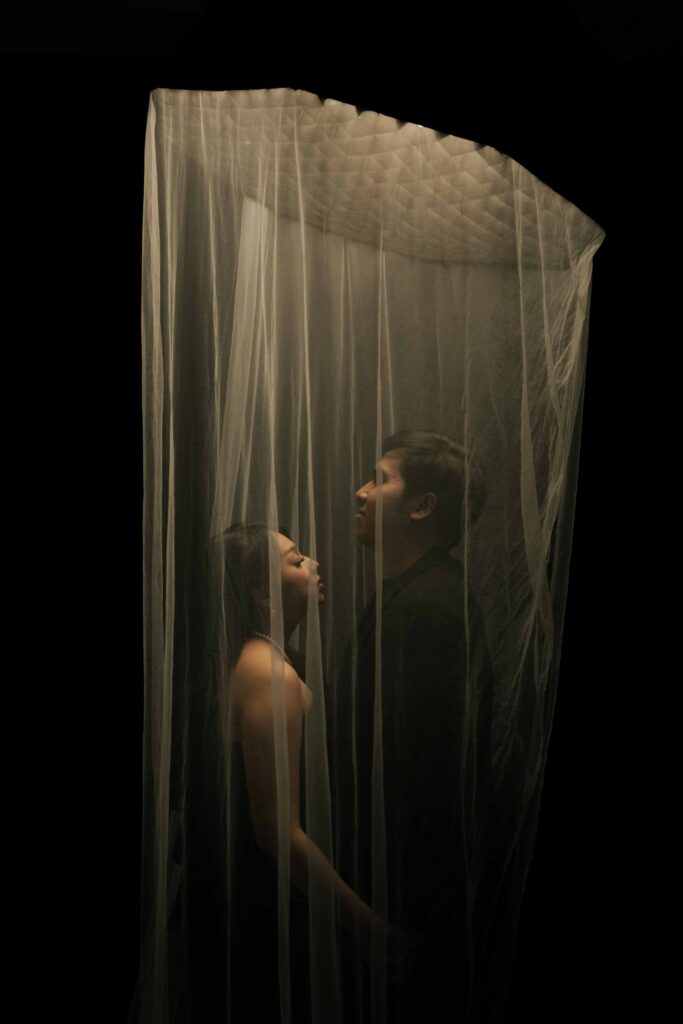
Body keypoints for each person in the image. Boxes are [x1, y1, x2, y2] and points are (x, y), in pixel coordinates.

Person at [187, 523, 406, 1023]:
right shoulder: (268, 672)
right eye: (297, 559)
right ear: (263, 594)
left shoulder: (263, 659)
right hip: (268, 899)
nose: (314, 563)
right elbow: (277, 833)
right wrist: (372, 929)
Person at [330, 431, 496, 1023]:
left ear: (422, 506)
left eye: (380, 479)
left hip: (404, 898)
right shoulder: (413, 592)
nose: (361, 491)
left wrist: (387, 921)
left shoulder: (431, 604)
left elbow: (424, 774)